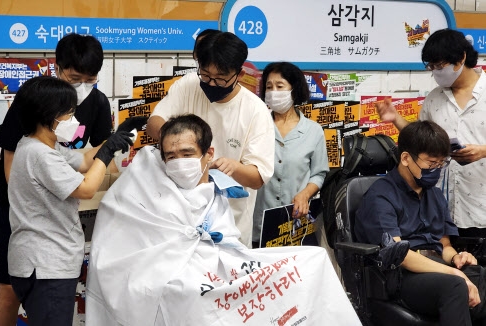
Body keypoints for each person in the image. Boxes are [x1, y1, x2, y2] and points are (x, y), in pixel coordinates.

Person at [86, 114, 360, 326]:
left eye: (187, 154)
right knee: (192, 296)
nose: (179, 162)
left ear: (208, 154)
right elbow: (131, 252)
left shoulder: (214, 191)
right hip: (173, 281)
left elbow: (228, 243)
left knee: (312, 261)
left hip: (217, 275)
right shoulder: (147, 191)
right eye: (170, 156)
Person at [0, 33, 113, 326]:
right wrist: (34, 209)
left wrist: (120, 142)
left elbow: (90, 158)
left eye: (90, 79)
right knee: (10, 291)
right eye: (75, 77)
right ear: (57, 68)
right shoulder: (35, 99)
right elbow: (13, 169)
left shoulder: (97, 103)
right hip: (21, 209)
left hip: (61, 209)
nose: (83, 86)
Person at [6, 76, 133, 326]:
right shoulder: (40, 154)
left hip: (39, 263)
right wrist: (107, 153)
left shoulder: (39, 145)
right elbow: (86, 188)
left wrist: (114, 138)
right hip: (46, 266)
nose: (73, 120)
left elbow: (85, 162)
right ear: (49, 114)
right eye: (69, 112)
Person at [146, 31, 275, 248]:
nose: (212, 84)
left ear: (240, 74)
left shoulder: (255, 111)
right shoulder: (188, 85)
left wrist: (234, 167)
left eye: (221, 78)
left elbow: (258, 177)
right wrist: (177, 143)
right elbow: (154, 123)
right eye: (205, 76)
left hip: (229, 227)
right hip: (177, 220)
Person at [354, 120, 486, 325]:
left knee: (480, 276)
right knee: (455, 286)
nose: (437, 170)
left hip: (436, 266)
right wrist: (453, 272)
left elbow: (444, 245)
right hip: (401, 275)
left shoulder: (434, 195)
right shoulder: (381, 196)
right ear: (406, 158)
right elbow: (400, 256)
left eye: (441, 164)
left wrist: (457, 259)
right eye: (431, 164)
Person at [375, 28, 486, 238]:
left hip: (481, 206)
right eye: (431, 67)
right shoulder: (434, 98)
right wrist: (395, 118)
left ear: (461, 58)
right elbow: (421, 140)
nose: (435, 72)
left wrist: (483, 151)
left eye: (440, 65)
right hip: (443, 211)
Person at [252, 62, 329, 248]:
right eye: (269, 87)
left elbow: (319, 174)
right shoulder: (256, 126)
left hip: (296, 225)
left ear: (294, 90)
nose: (273, 92)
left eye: (280, 86)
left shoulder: (313, 131)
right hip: (258, 222)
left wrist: (305, 194)